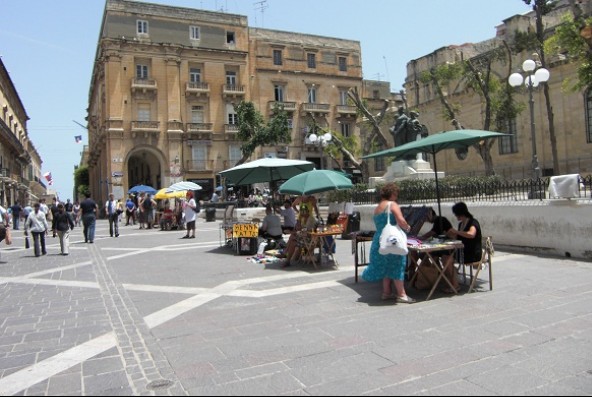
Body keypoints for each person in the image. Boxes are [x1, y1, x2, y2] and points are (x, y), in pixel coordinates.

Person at [361, 183, 416, 303]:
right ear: (391, 194)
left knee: (386, 266)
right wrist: (408, 227)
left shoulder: (378, 207)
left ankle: (386, 292)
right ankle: (401, 294)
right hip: (392, 240)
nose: (396, 197)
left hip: (380, 240)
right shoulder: (392, 204)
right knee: (397, 265)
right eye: (395, 194)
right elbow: (401, 221)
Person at [443, 202, 483, 292]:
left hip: (471, 253)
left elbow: (471, 234)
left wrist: (456, 232)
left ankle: (455, 285)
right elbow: (459, 237)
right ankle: (451, 281)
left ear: (461, 214)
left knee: (447, 260)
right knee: (444, 257)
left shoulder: (473, 222)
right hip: (462, 252)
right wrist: (449, 234)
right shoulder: (461, 224)